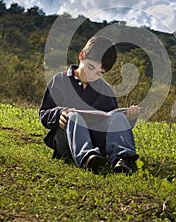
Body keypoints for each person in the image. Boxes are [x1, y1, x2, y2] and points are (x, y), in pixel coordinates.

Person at [39, 36, 140, 173]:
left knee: (117, 117)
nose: (92, 75)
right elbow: (44, 113)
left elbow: (111, 125)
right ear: (81, 56)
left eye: (99, 73)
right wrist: (58, 114)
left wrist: (129, 119)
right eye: (90, 67)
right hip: (66, 142)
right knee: (73, 116)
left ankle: (123, 159)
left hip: (97, 143)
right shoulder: (60, 80)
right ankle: (87, 157)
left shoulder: (105, 90)